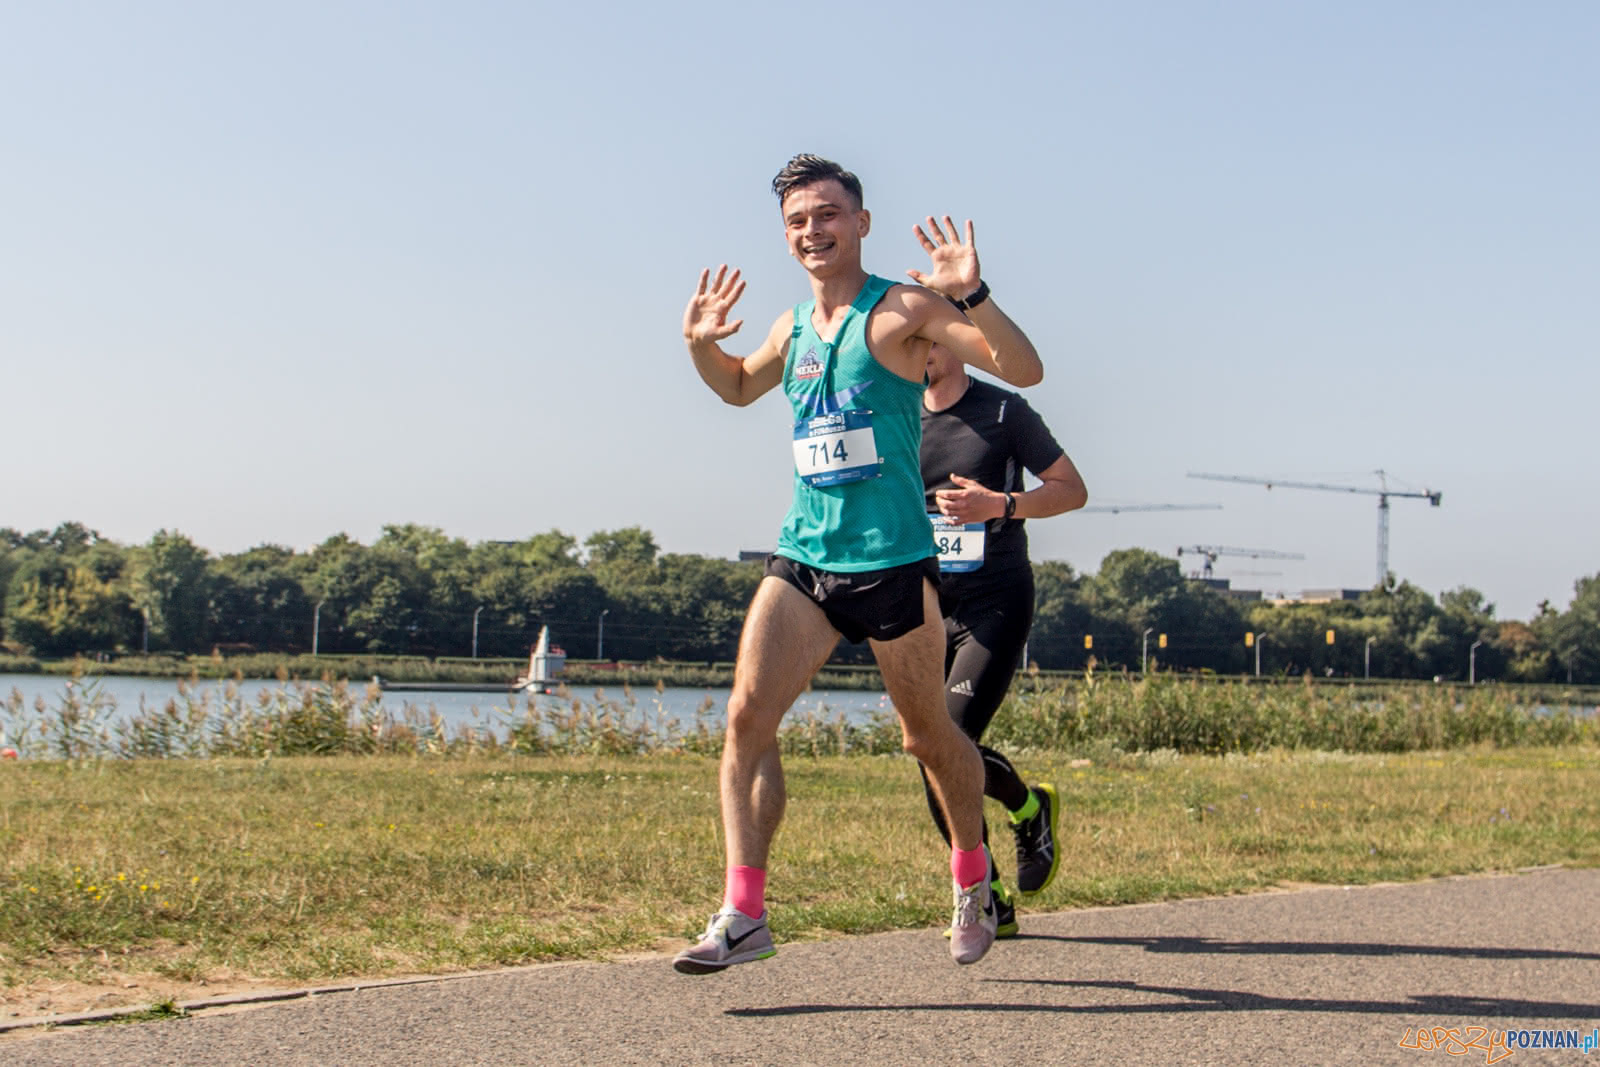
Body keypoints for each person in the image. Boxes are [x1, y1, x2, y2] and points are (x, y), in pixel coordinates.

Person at [675, 154, 1045, 972]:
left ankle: (971, 881)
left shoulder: (905, 310)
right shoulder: (792, 327)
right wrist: (700, 345)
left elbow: (1023, 370)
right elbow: (737, 388)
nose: (814, 230)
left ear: (861, 222)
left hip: (891, 564)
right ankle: (744, 912)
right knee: (744, 721)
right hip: (805, 556)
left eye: (828, 214)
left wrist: (971, 294)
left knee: (929, 738)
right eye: (798, 220)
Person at [920, 341, 1087, 939]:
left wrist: (1002, 504)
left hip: (997, 603)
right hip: (928, 609)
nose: (914, 347)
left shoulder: (1003, 412)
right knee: (929, 753)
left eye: (925, 335)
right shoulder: (894, 417)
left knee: (949, 738)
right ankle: (995, 884)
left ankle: (1020, 824)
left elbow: (1071, 488)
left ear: (953, 341)